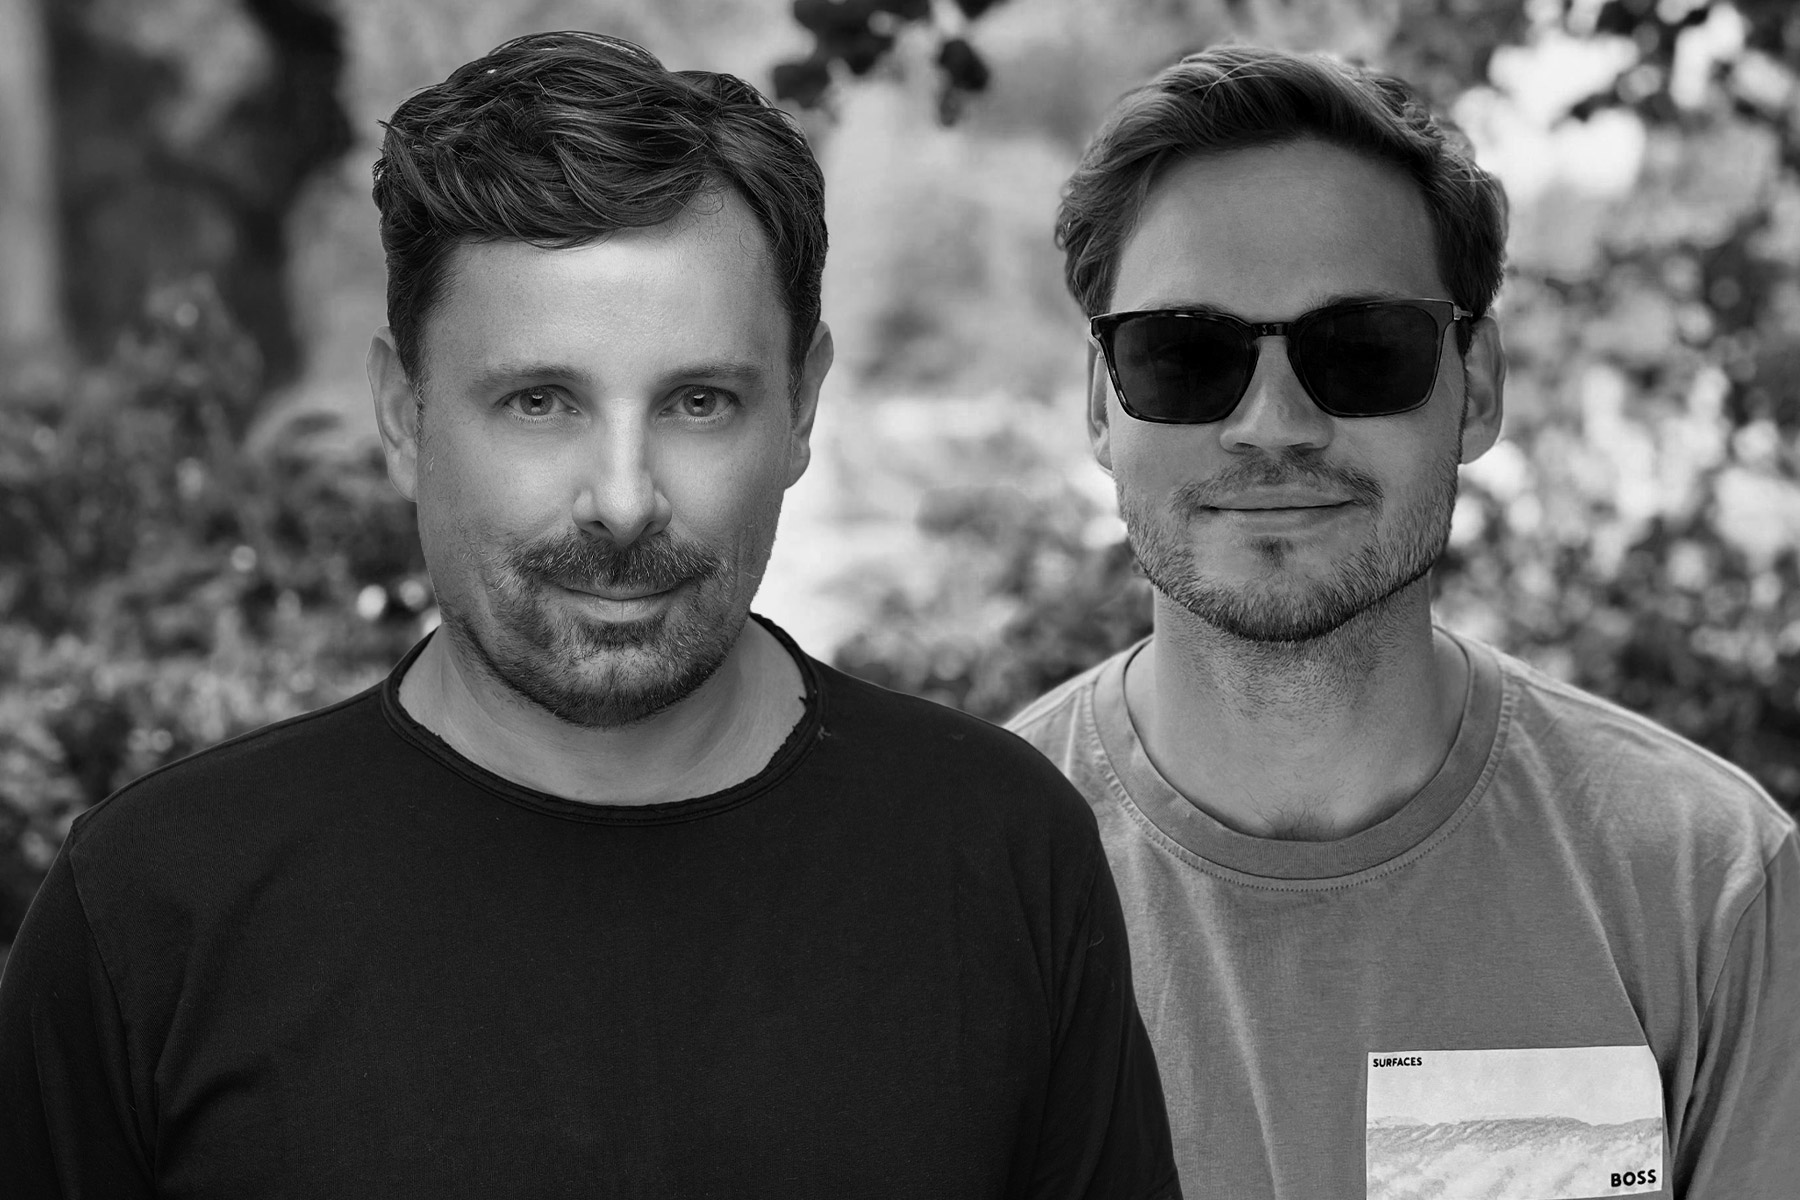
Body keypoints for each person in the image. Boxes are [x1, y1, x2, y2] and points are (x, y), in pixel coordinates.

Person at [0, 32, 1181, 1199]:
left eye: (699, 401)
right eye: (539, 401)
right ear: (404, 414)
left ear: (802, 406)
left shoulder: (1001, 854)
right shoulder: (156, 908)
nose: (622, 501)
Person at [1007, 44, 1800, 1199]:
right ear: (1099, 404)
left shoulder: (1709, 885)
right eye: (1183, 354)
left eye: (1362, 349)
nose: (1272, 424)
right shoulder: (958, 888)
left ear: (1477, 388)